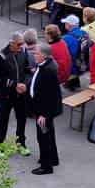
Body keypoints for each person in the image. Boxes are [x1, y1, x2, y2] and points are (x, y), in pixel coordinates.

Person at [28, 39, 64, 175]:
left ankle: (46, 166)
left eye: (36, 53)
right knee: (49, 134)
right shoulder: (44, 65)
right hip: (42, 109)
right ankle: (52, 158)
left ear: (44, 55)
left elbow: (51, 96)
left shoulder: (48, 71)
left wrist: (44, 114)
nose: (34, 55)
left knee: (43, 137)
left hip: (43, 111)